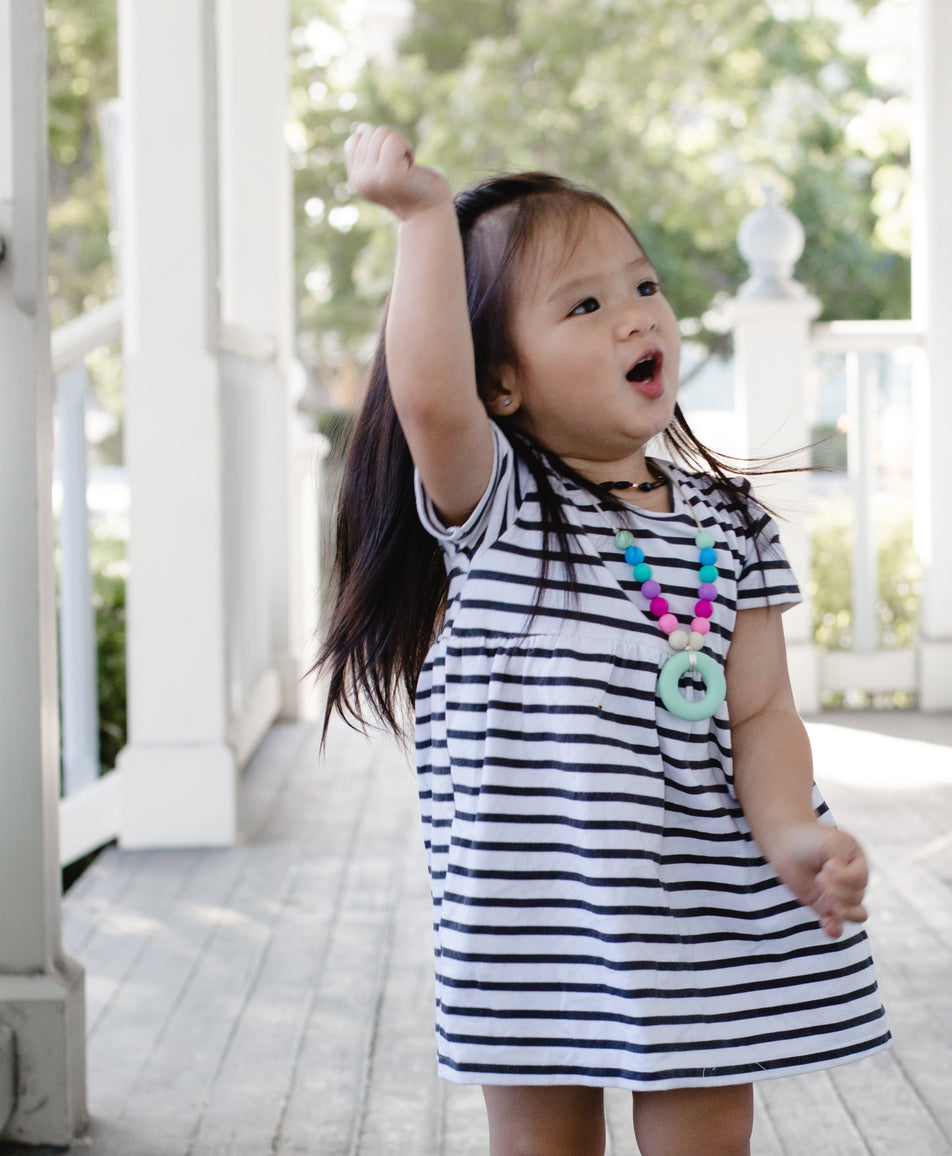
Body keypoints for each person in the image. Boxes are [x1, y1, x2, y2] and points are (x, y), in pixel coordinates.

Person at [318, 124, 890, 1156]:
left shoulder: (732, 523)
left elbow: (760, 710)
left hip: (701, 905)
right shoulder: (502, 506)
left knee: (706, 1136)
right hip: (536, 922)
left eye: (642, 286)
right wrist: (418, 219)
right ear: (504, 382)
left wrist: (792, 833)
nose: (635, 317)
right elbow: (431, 396)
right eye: (584, 305)